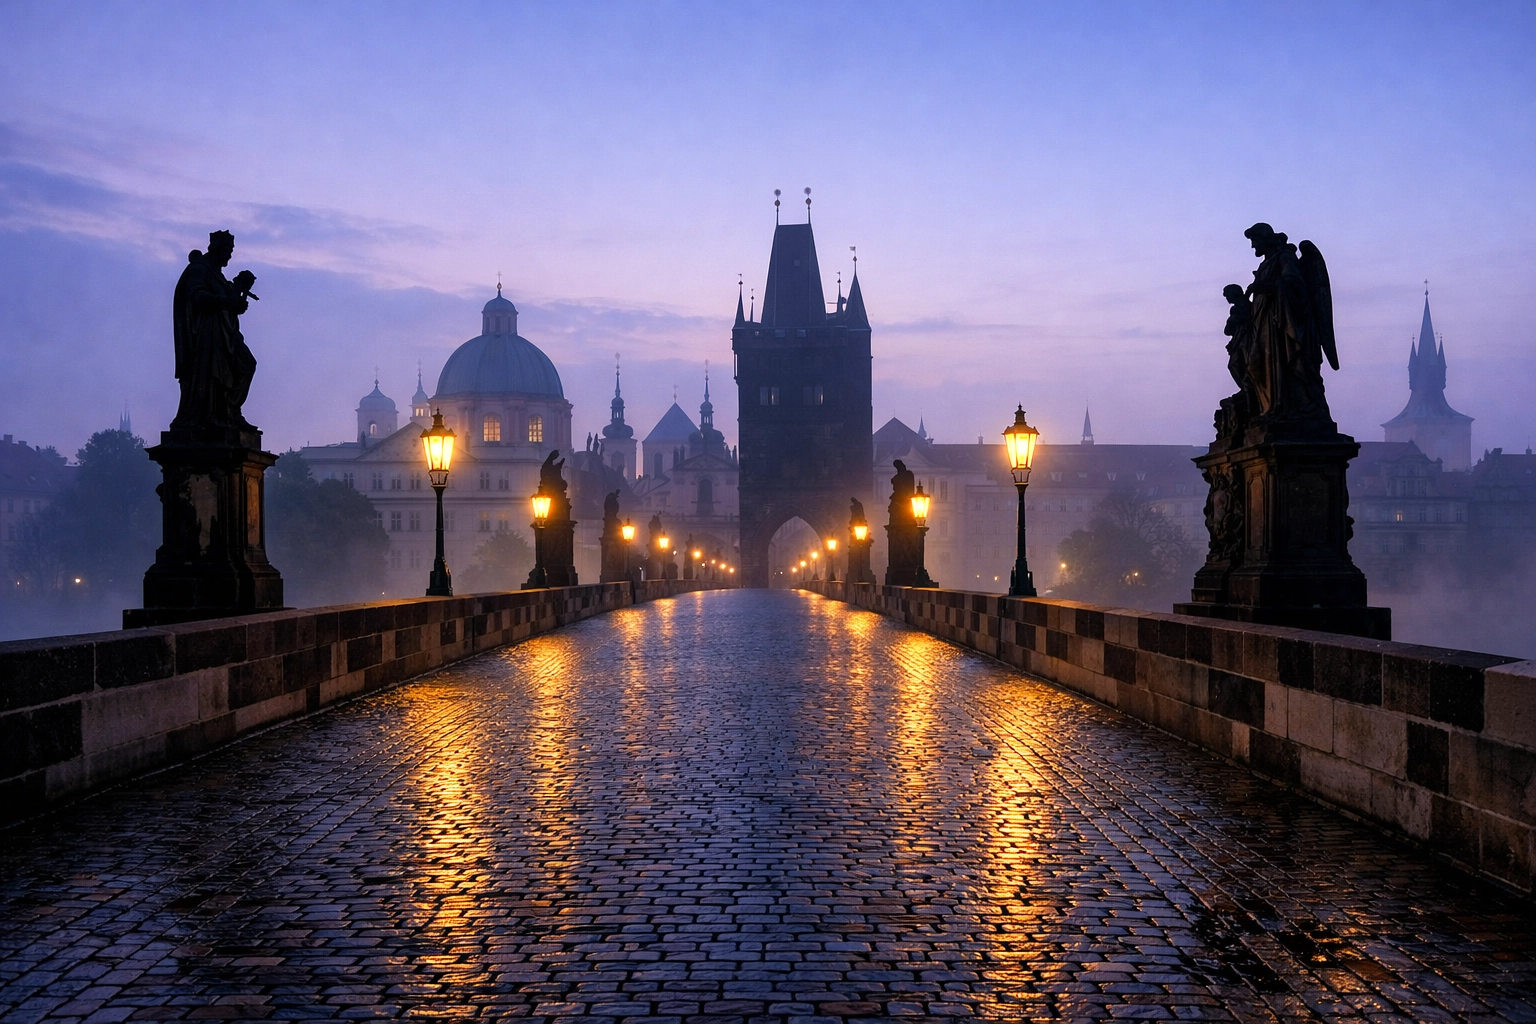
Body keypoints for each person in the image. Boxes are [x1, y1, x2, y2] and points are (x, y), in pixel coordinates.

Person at [172, 230, 258, 431]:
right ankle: (212, 414)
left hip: (226, 333)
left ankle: (230, 411)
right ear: (217, 248)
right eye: (228, 250)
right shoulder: (199, 269)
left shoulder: (215, 273)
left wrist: (237, 293)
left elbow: (226, 299)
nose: (230, 255)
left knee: (246, 365)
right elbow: (198, 297)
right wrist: (229, 300)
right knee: (213, 373)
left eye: (231, 250)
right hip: (208, 335)